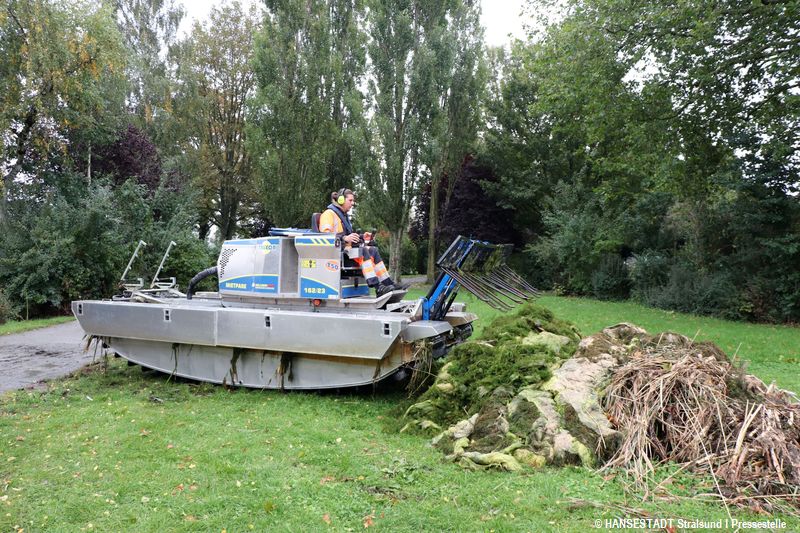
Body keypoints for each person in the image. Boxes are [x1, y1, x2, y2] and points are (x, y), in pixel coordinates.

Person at [319, 188, 406, 297]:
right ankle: (378, 287)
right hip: (337, 254)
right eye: (350, 201)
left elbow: (347, 235)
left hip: (347, 251)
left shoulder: (342, 216)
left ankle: (388, 284)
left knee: (373, 250)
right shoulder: (328, 214)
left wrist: (361, 237)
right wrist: (345, 238)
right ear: (341, 200)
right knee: (363, 251)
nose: (352, 203)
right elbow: (324, 236)